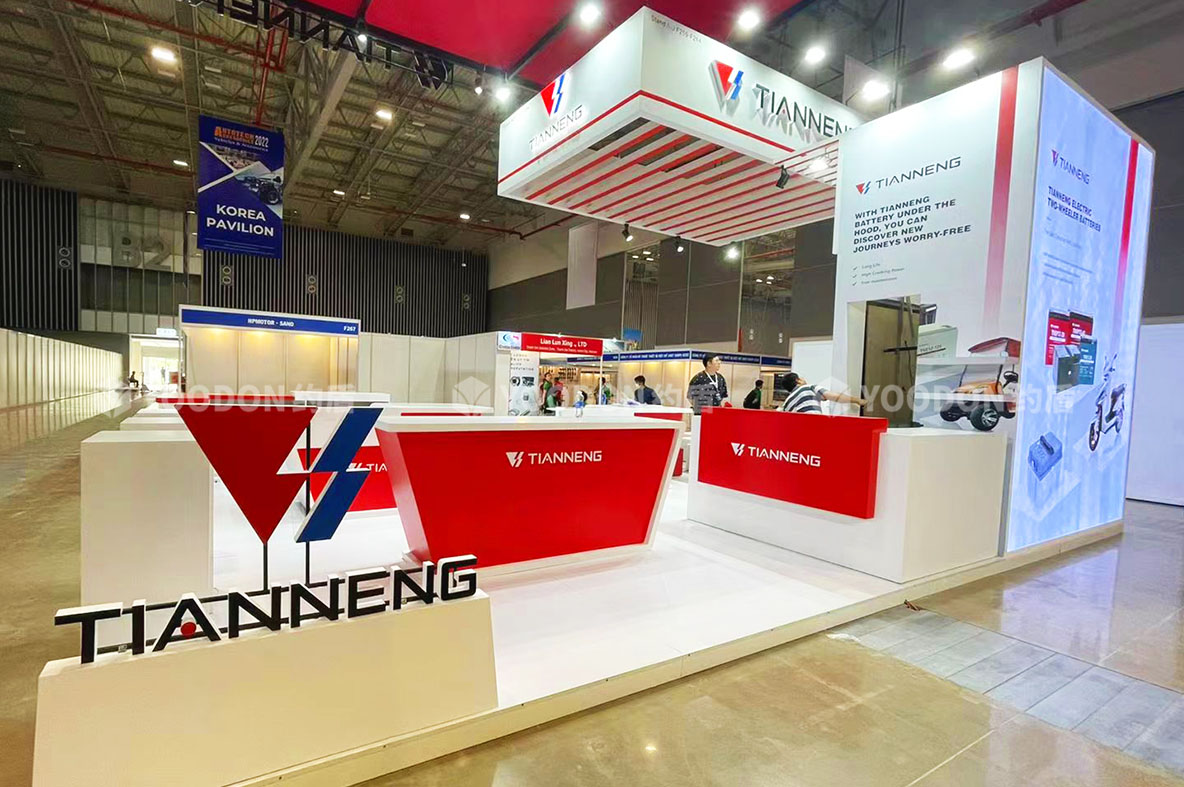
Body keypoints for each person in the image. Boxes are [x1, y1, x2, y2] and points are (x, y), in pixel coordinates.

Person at [779, 372, 866, 414]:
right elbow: (834, 396)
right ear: (798, 380)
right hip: (815, 426)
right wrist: (857, 400)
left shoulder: (787, 403)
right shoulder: (809, 387)